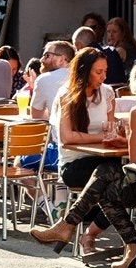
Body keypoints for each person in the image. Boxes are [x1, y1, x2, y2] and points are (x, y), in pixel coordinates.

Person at [31, 61, 136, 268]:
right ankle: (122, 243)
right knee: (105, 175)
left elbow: (134, 161)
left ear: (135, 84)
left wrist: (127, 140)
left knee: (106, 186)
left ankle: (80, 229)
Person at [31, 48, 124, 257]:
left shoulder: (107, 93)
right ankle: (90, 235)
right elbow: (67, 137)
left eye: (105, 71)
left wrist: (118, 134)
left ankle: (69, 226)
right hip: (74, 162)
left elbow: (110, 127)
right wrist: (103, 138)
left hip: (104, 160)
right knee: (117, 176)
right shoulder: (68, 96)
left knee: (125, 182)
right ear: (84, 72)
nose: (104, 77)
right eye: (98, 72)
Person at [28, 40, 75, 120]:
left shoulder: (44, 79)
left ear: (62, 59)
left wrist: (37, 85)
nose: (41, 60)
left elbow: (36, 116)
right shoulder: (80, 76)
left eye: (47, 55)